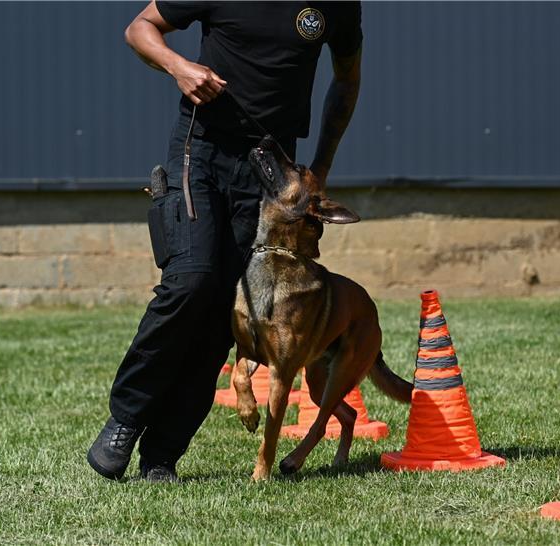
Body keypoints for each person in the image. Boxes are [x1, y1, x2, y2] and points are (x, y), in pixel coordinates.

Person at [87, 1, 362, 482]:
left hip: (271, 169)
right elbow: (139, 29)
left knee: (224, 315)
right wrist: (179, 67)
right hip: (202, 149)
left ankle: (162, 454)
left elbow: (347, 79)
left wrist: (321, 167)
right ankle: (126, 418)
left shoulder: (338, 4)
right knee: (190, 282)